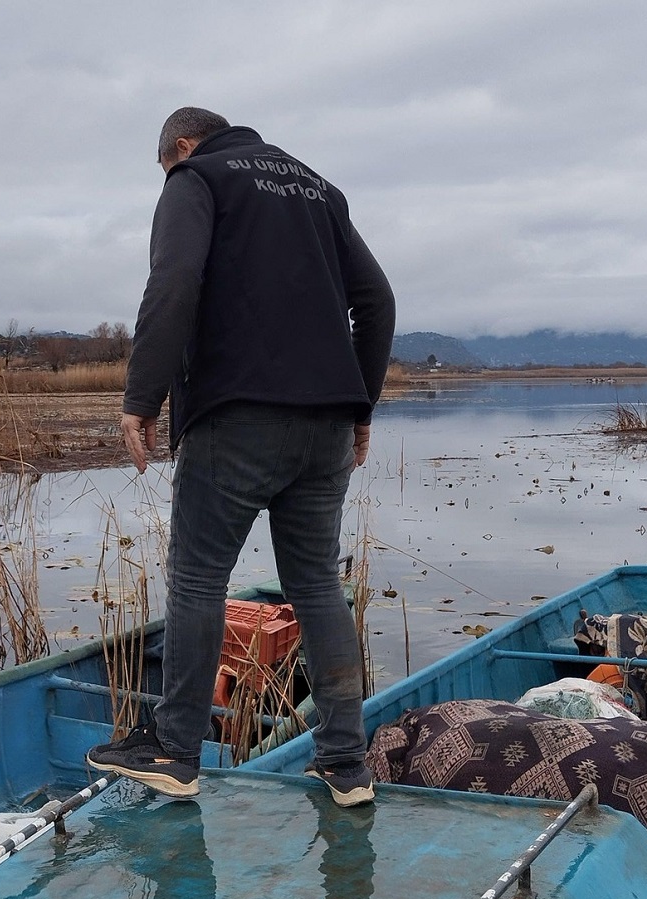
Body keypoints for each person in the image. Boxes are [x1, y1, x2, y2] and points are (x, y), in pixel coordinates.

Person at [86, 107, 395, 807]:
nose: (168, 178)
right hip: (325, 425)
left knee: (196, 580)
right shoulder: (318, 188)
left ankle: (173, 751)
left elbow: (174, 281)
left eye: (164, 167)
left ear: (182, 147)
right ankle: (346, 764)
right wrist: (361, 403)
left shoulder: (196, 178)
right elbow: (376, 301)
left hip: (236, 417)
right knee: (316, 584)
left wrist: (143, 395)